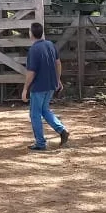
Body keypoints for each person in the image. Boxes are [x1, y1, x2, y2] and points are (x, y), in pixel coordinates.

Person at [22, 22, 69, 151]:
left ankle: (40, 143)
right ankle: (62, 130)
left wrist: (25, 89)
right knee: (44, 110)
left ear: (31, 34)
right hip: (51, 84)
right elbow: (58, 63)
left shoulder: (33, 50)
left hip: (39, 86)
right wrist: (58, 80)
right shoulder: (50, 45)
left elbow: (31, 72)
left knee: (35, 114)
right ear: (42, 32)